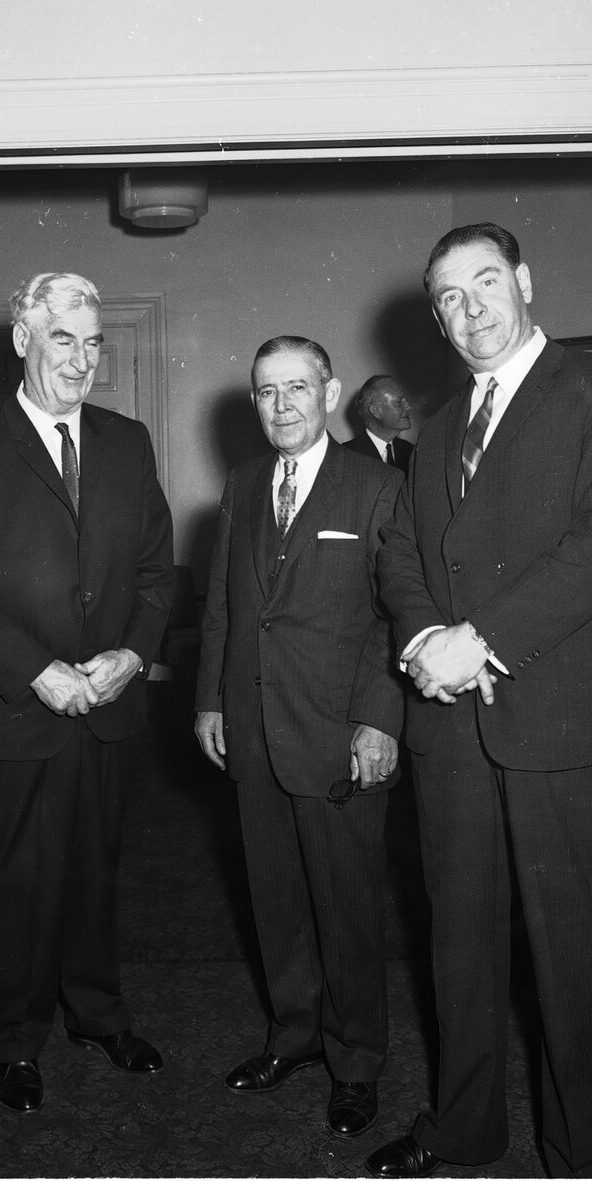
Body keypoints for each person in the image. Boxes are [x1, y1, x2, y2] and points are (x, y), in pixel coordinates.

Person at [368, 223, 592, 1180]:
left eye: (485, 282)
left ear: (526, 282)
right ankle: (465, 1132)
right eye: (449, 297)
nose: (470, 308)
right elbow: (406, 553)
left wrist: (478, 639)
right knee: (458, 947)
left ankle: (589, 1162)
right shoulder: (440, 423)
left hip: (563, 722)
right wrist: (421, 640)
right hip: (452, 729)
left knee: (570, 960)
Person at [0, 271, 175, 1114]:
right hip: (16, 707)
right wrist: (39, 669)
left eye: (94, 341)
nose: (81, 358)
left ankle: (98, 1015)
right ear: (24, 340)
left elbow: (153, 571)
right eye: (63, 338)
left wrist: (134, 655)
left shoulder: (129, 441)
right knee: (19, 879)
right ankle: (17, 1040)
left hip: (110, 705)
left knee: (96, 871)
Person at [194, 336, 405, 1138]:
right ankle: (294, 1035)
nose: (280, 405)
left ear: (329, 391)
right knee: (275, 898)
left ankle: (356, 1063)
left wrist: (380, 717)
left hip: (339, 736)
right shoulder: (244, 484)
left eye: (297, 388)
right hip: (251, 729)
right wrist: (211, 700)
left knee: (347, 908)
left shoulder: (379, 488)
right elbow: (222, 603)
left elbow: (399, 616)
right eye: (265, 391)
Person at [344, 374, 415, 469]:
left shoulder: (412, 452)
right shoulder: (346, 456)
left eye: (406, 401)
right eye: (398, 403)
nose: (408, 407)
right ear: (376, 411)